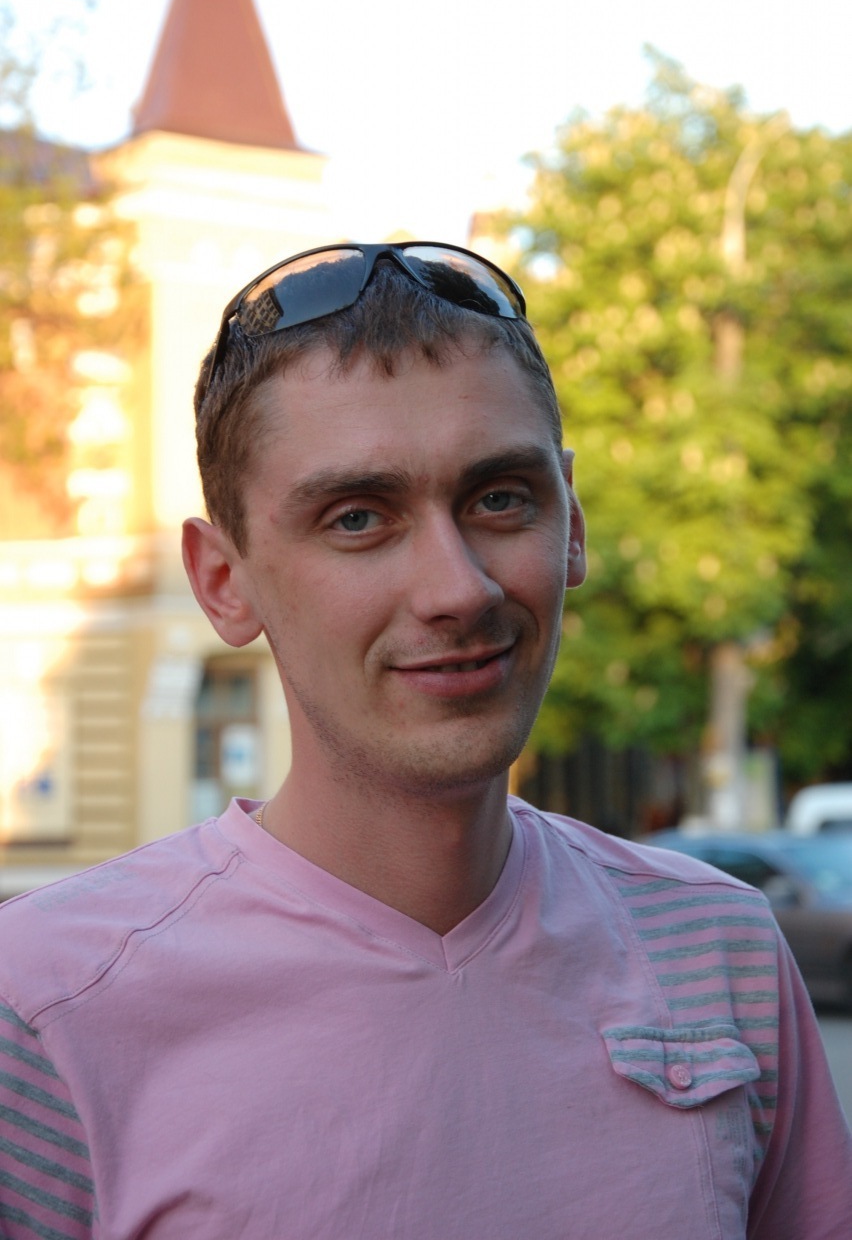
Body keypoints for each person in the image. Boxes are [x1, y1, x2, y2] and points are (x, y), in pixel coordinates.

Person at [0, 241, 849, 1239]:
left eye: (499, 498)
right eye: (358, 517)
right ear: (224, 580)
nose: (459, 588)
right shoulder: (49, 1006)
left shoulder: (721, 949)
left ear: (571, 522)